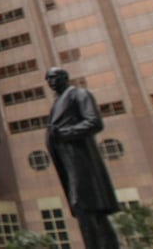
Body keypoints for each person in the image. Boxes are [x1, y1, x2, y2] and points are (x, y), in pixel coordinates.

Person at [45, 67, 119, 249]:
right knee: (85, 209)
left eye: (55, 77)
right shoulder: (58, 101)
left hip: (81, 160)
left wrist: (66, 132)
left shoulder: (79, 94)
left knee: (86, 206)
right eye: (48, 79)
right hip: (67, 159)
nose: (51, 82)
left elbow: (94, 122)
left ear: (65, 77)